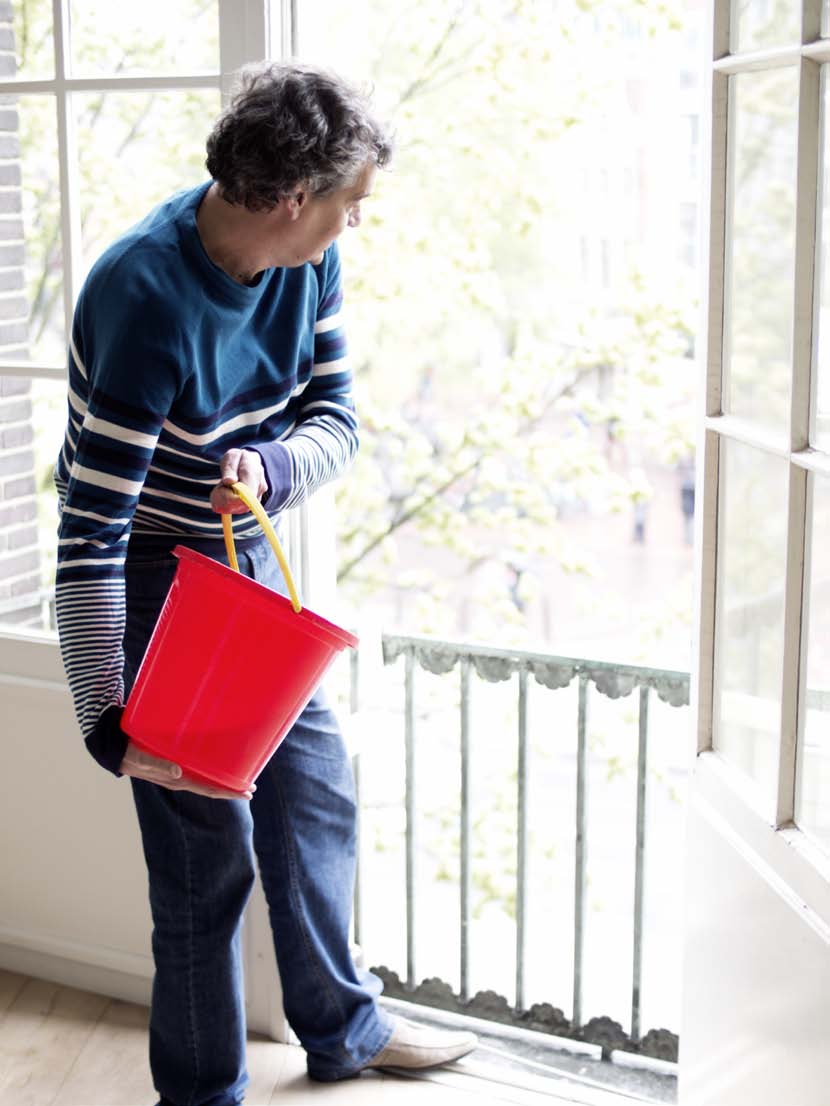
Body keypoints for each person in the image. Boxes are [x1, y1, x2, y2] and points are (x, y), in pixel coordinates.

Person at [54, 61, 476, 1106]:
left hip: (238, 563)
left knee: (314, 790)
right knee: (203, 856)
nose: (353, 225)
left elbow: (337, 421)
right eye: (349, 205)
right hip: (148, 577)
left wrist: (273, 464)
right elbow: (90, 534)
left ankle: (341, 1027)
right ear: (290, 201)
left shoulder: (305, 265)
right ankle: (201, 1092)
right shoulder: (141, 298)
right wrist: (106, 722)